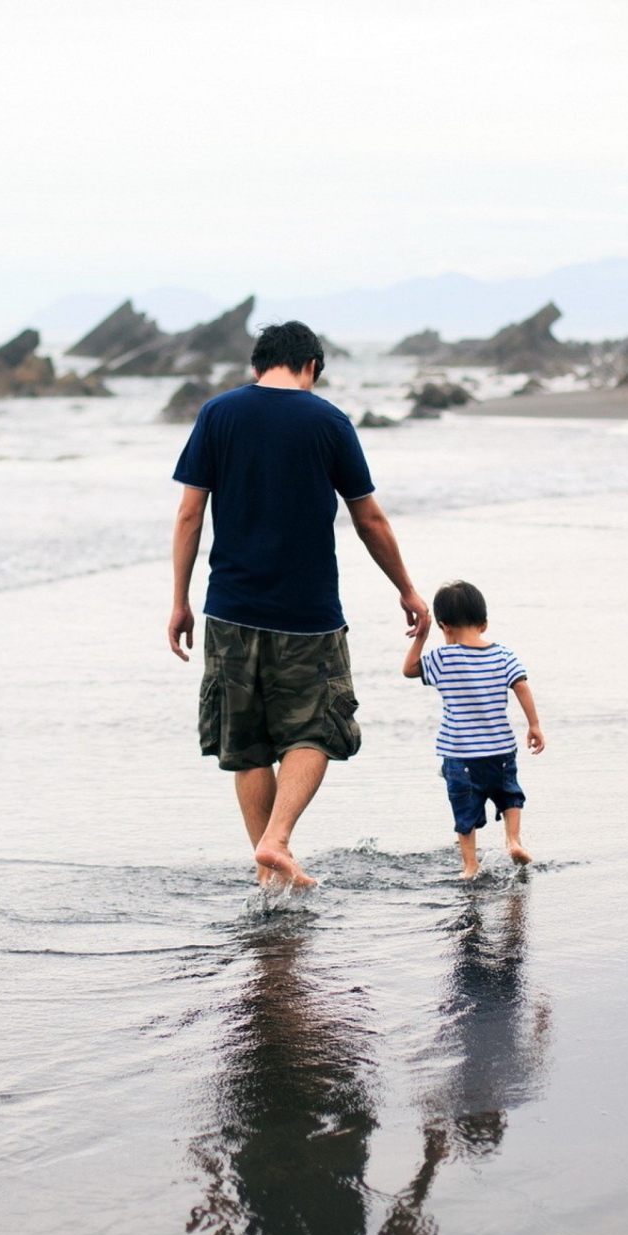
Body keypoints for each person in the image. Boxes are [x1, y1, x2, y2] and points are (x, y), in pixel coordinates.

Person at [169, 320, 429, 889]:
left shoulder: (218, 414)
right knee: (315, 729)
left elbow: (190, 515)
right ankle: (278, 841)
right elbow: (369, 519)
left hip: (229, 610)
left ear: (258, 365)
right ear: (311, 366)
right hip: (308, 614)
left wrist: (180, 601)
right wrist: (405, 588)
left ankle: (269, 875)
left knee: (248, 742)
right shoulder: (329, 421)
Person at [403, 580, 543, 878]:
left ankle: (469, 866)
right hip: (501, 749)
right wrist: (534, 725)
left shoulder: (442, 658)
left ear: (445, 627)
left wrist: (422, 635)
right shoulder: (504, 655)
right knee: (509, 795)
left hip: (460, 755)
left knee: (464, 810)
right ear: (484, 623)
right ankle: (514, 840)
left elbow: (409, 669)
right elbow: (522, 686)